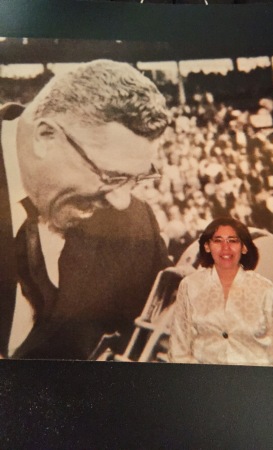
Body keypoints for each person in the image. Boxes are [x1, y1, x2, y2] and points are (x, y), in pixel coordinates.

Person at [0, 59, 172, 360]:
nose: (122, 201)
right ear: (45, 137)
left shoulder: (134, 227)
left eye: (136, 178)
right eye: (112, 177)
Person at [168, 216, 273, 366]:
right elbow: (178, 350)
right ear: (207, 246)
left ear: (244, 247)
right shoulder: (189, 286)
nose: (225, 247)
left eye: (233, 241)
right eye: (218, 240)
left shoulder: (266, 290)